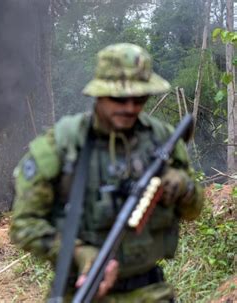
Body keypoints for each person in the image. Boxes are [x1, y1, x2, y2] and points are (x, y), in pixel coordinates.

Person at [10, 43, 203, 302]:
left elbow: (194, 212)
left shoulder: (161, 140)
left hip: (148, 292)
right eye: (120, 99)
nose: (130, 107)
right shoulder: (63, 145)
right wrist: (78, 253)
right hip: (81, 292)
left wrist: (183, 187)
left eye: (140, 98)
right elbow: (24, 225)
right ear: (99, 94)